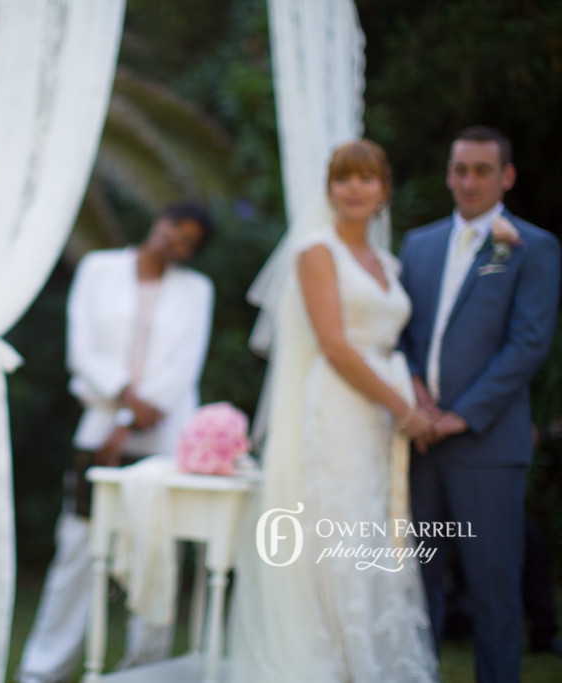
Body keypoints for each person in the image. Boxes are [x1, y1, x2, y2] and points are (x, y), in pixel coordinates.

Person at [230, 139, 439, 682]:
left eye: (366, 178)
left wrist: (410, 397)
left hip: (381, 411)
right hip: (342, 404)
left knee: (377, 521)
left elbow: (394, 342)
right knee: (340, 521)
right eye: (344, 178)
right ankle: (336, 657)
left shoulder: (390, 264)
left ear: (384, 192)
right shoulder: (317, 252)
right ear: (329, 190)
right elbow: (336, 344)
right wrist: (403, 407)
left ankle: (375, 652)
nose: (354, 189)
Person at [15, 202, 215, 683]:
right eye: (173, 228)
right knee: (79, 546)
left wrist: (129, 417)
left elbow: (183, 367)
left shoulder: (196, 291)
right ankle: (43, 669)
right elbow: (82, 352)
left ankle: (144, 668)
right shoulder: (99, 269)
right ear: (157, 220)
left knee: (155, 548)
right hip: (98, 432)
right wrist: (124, 403)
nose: (174, 241)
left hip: (165, 438)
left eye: (187, 241)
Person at [398, 125, 560, 683]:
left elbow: (528, 343)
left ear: (506, 177)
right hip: (419, 443)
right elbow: (402, 335)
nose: (468, 181)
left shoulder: (533, 247)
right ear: (448, 173)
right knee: (417, 584)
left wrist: (460, 416)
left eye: (482, 170)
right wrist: (417, 397)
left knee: (493, 588)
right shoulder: (417, 245)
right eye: (460, 169)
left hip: (487, 446)